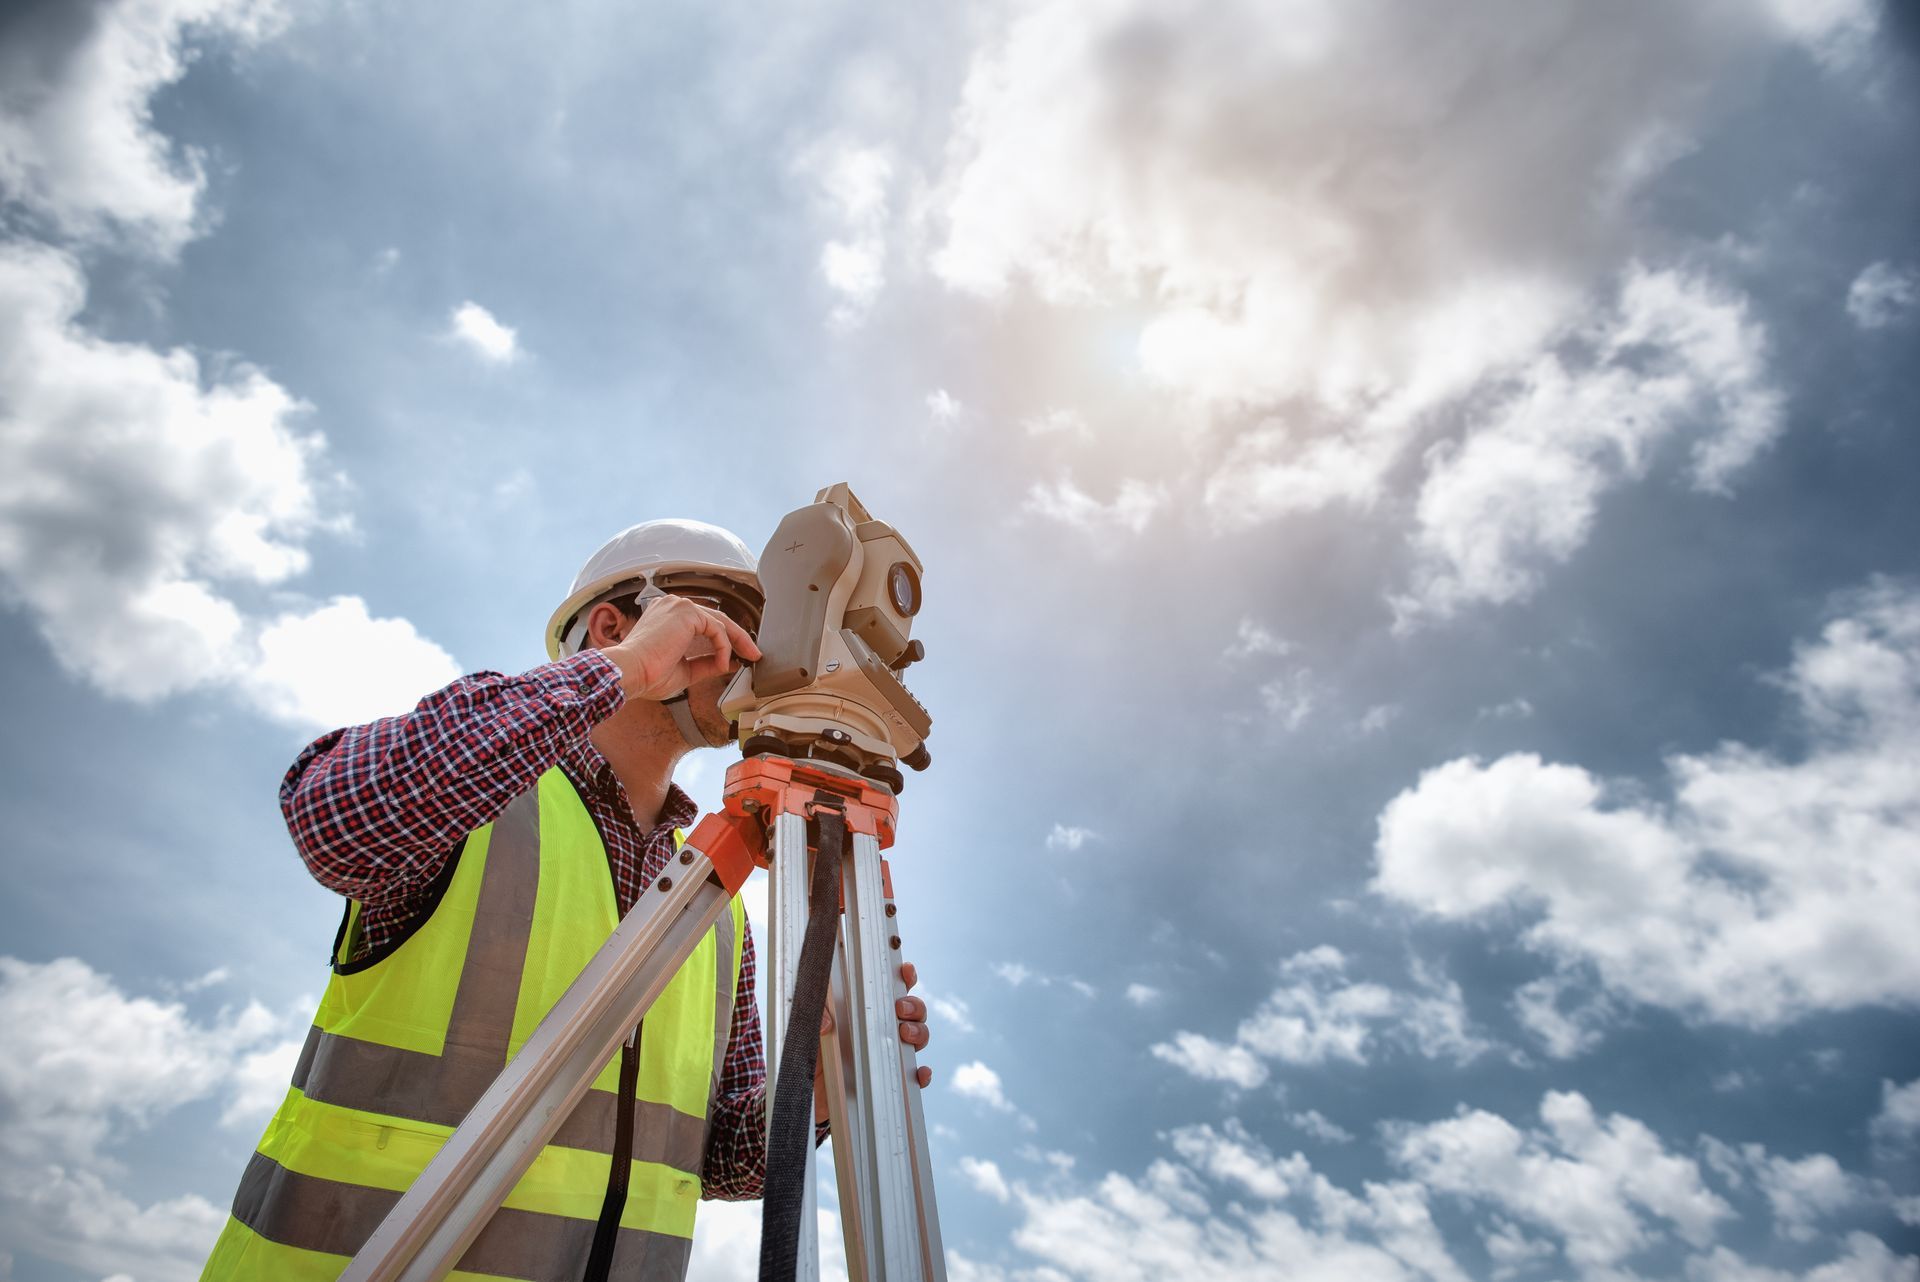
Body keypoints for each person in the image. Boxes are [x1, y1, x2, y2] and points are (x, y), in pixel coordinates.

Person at [199, 518, 932, 1282]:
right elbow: (338, 820)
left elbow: (723, 1162)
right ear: (615, 624)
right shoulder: (483, 797)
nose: (757, 652)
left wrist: (823, 1077)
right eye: (730, 623)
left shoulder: (717, 901)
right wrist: (622, 670)